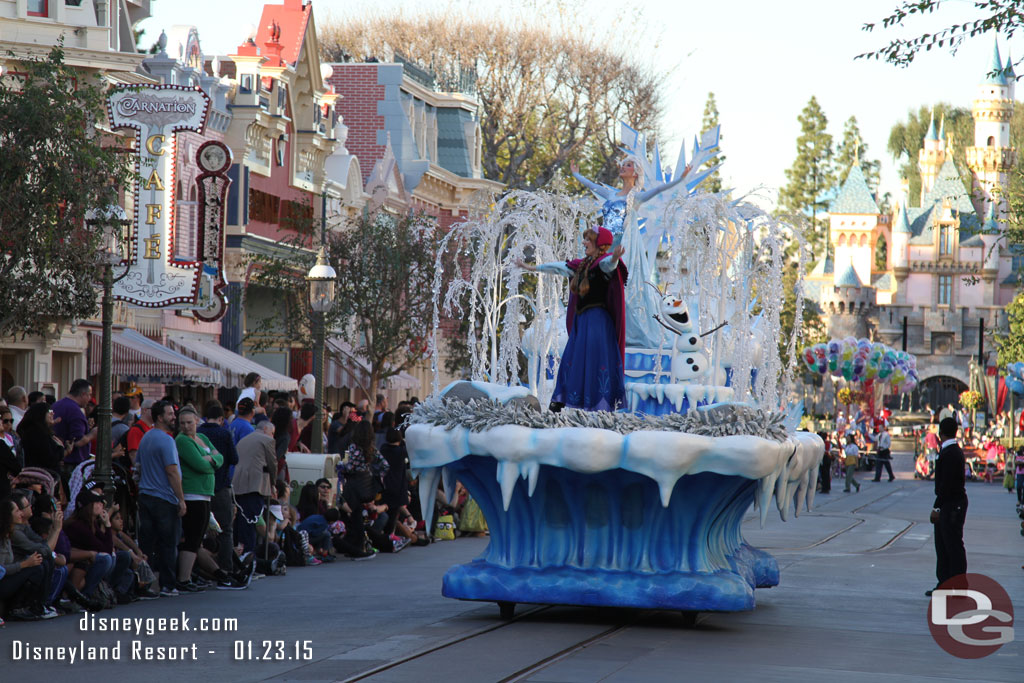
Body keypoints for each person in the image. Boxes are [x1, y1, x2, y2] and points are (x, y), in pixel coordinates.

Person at [517, 227, 627, 412]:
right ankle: (559, 402)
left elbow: (609, 264)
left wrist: (615, 258)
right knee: (572, 358)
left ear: (599, 244)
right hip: (583, 322)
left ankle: (596, 407)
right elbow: (557, 267)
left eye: (588, 240)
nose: (584, 243)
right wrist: (531, 268)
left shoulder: (601, 263)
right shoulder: (581, 265)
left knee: (594, 362)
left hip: (598, 323)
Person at [135, 400, 186, 597]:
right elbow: (172, 471)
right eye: (170, 414)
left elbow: (137, 468)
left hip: (145, 496)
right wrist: (181, 499)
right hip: (164, 499)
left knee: (147, 543)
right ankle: (167, 584)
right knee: (168, 543)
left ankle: (145, 584)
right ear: (159, 417)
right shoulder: (167, 440)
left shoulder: (146, 437)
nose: (174, 417)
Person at [174, 406, 222, 592]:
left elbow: (221, 458)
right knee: (193, 537)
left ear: (197, 421)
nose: (186, 426)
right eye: (182, 423)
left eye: (189, 422)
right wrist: (211, 461)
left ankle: (193, 575)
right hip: (192, 493)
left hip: (205, 493)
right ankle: (184, 578)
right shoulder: (182, 441)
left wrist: (212, 460)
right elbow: (200, 465)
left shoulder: (202, 438)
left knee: (198, 537)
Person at [927, 417, 968, 596]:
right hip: (951, 503)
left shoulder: (950, 452)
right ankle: (944, 584)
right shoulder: (951, 450)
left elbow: (947, 484)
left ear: (940, 433)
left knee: (952, 545)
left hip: (951, 504)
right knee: (943, 545)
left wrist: (937, 507)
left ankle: (957, 586)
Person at [198, 400, 239, 574]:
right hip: (221, 486)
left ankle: (200, 569)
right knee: (226, 530)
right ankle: (225, 568)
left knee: (198, 531)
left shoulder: (197, 433)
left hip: (199, 488)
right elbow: (234, 459)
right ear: (221, 419)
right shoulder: (225, 434)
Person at [0, 498, 52, 620]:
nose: (21, 514)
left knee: (40, 564)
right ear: (8, 516)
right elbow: (1, 570)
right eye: (17, 511)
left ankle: (36, 605)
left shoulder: (9, 533)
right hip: (3, 582)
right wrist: (24, 564)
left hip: (9, 577)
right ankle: (18, 608)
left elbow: (40, 544)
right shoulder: (5, 537)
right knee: (35, 568)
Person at [233, 419, 277, 554]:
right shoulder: (267, 440)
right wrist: (273, 484)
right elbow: (273, 464)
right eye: (272, 432)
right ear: (265, 429)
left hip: (238, 485)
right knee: (252, 520)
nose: (273, 436)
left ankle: (242, 554)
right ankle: (249, 558)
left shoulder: (244, 440)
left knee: (242, 520)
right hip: (255, 485)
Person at [52, 379, 97, 474]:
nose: (89, 399)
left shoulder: (56, 405)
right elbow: (77, 441)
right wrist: (92, 434)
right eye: (89, 395)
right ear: (83, 394)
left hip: (58, 459)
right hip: (71, 464)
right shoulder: (75, 411)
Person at [124, 398, 154, 467]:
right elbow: (134, 456)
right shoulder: (136, 430)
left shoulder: (152, 428)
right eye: (154, 409)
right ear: (145, 410)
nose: (157, 412)